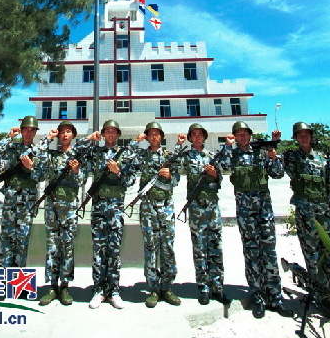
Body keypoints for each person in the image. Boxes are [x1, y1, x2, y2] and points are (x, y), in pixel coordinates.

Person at [221, 121, 292, 319]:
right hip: (245, 213)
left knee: (269, 251)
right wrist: (227, 146)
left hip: (264, 211)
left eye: (245, 134)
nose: (242, 137)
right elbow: (224, 167)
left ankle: (275, 297)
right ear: (235, 136)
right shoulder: (232, 154)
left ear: (250, 135)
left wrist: (274, 156)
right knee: (251, 253)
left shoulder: (261, 152)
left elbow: (277, 174)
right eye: (239, 134)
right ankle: (258, 296)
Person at [77, 119, 136, 309]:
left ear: (118, 134)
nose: (110, 135)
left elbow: (131, 180)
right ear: (103, 134)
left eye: (113, 132)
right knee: (98, 251)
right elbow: (76, 151)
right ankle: (99, 290)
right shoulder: (95, 152)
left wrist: (119, 172)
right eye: (107, 132)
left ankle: (114, 291)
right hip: (99, 209)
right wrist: (88, 139)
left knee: (114, 251)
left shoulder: (126, 154)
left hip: (116, 208)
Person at [283, 121, 330, 316]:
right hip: (306, 216)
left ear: (312, 136)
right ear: (296, 138)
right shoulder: (292, 157)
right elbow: (288, 168)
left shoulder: (324, 158)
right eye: (300, 135)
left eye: (307, 134)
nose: (304, 137)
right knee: (313, 256)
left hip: (324, 215)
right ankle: (321, 295)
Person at [33, 121, 86, 306]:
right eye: (62, 132)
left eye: (68, 132)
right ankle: (52, 286)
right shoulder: (51, 155)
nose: (64, 135)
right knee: (52, 246)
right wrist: (47, 139)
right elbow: (38, 166)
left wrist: (77, 170)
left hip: (70, 207)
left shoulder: (77, 156)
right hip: (52, 207)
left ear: (73, 135)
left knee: (68, 245)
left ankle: (65, 286)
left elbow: (82, 180)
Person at [130, 121, 181, 308]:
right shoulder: (142, 155)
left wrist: (170, 176)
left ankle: (167, 287)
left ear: (161, 136)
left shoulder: (169, 155)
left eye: (156, 133)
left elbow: (177, 179)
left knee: (167, 246)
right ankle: (152, 288)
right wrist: (136, 142)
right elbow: (127, 160)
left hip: (166, 206)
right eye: (150, 133)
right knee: (150, 246)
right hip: (148, 207)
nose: (153, 136)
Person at [177, 123, 228, 306]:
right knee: (199, 248)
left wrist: (214, 174)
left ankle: (218, 286)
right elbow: (174, 166)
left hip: (212, 207)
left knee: (216, 246)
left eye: (200, 134)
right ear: (190, 137)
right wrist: (178, 145)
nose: (197, 137)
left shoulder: (213, 156)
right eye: (194, 135)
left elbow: (220, 179)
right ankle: (203, 288)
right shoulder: (186, 156)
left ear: (205, 137)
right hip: (196, 208)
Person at [0, 115, 40, 268]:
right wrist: (8, 137)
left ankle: (19, 281)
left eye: (32, 130)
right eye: (25, 129)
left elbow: (43, 175)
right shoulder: (12, 147)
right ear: (21, 131)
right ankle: (3, 275)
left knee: (22, 240)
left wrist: (32, 168)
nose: (28, 133)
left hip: (28, 202)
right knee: (6, 237)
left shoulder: (39, 152)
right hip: (11, 199)